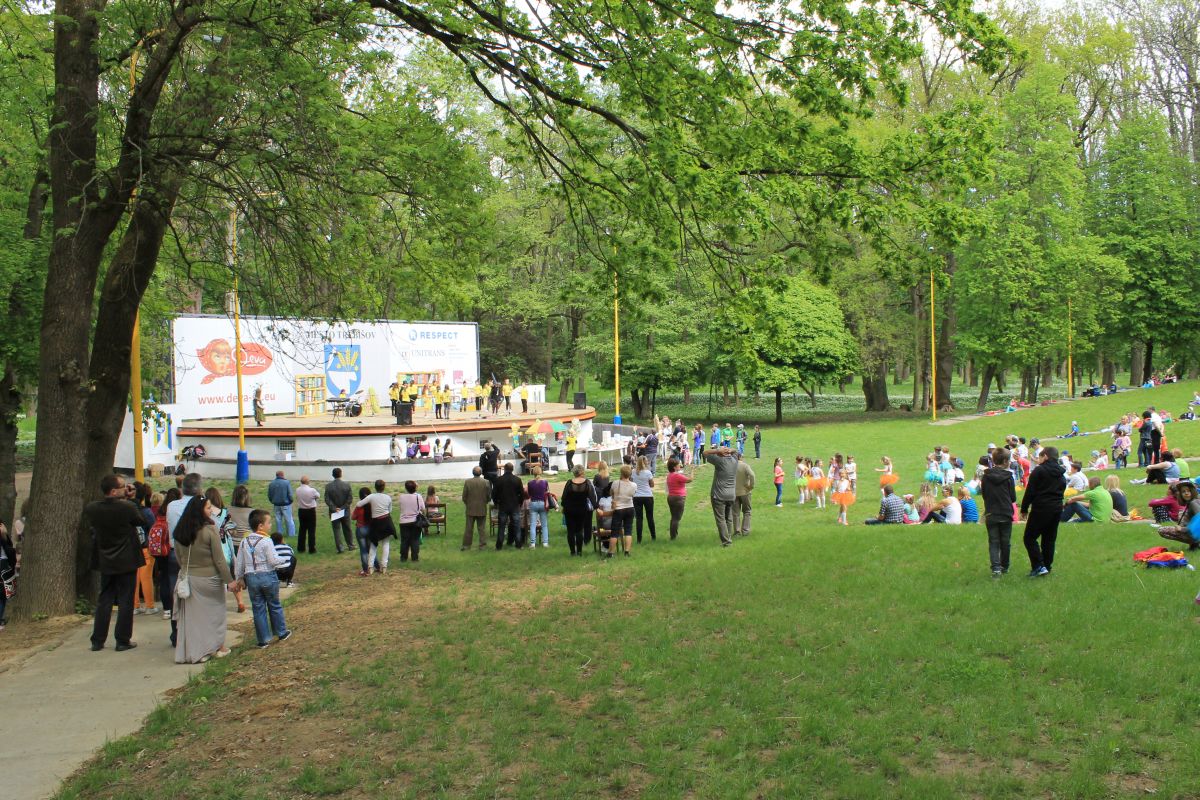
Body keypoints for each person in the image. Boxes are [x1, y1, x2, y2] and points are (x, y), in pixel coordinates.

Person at [85, 474, 147, 652]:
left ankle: (97, 640)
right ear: (113, 491)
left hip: (106, 559)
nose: (125, 489)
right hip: (126, 559)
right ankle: (122, 639)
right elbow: (140, 521)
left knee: (104, 599)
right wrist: (132, 499)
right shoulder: (127, 507)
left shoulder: (93, 508)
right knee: (126, 600)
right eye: (122, 487)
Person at [173, 495, 235, 663]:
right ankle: (217, 647)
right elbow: (219, 559)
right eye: (208, 508)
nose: (211, 511)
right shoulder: (210, 530)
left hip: (188, 578)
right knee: (215, 615)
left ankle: (197, 651)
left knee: (194, 619)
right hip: (209, 579)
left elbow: (178, 557)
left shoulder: (180, 531)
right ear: (200, 511)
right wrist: (229, 580)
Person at [233, 510, 292, 649]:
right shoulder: (266, 540)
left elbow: (239, 562)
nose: (270, 525)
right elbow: (273, 560)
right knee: (274, 605)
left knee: (258, 608)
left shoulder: (244, 541)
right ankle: (281, 632)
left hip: (251, 578)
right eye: (269, 523)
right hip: (267, 576)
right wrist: (285, 559)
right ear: (260, 526)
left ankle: (263, 640)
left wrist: (239, 577)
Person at [1021, 446, 1066, 577]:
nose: (1038, 460)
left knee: (1029, 538)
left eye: (1040, 457)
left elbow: (1030, 491)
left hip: (1041, 508)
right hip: (1057, 508)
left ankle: (1039, 566)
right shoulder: (1061, 473)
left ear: (1045, 456)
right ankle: (1047, 565)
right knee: (1049, 539)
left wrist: (1024, 509)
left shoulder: (1039, 471)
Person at [205, 487, 245, 614]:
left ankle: (217, 604)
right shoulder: (225, 513)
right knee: (231, 575)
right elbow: (233, 531)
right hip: (226, 547)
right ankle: (240, 602)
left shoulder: (206, 514)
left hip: (212, 548)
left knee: (217, 577)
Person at [981, 448, 1018, 576]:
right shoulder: (1009, 477)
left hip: (991, 512)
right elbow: (1013, 497)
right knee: (1005, 542)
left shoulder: (986, 477)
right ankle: (1005, 566)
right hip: (1006, 512)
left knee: (993, 541)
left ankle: (996, 568)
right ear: (1005, 461)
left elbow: (984, 494)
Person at [356, 479, 396, 574]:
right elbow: (390, 510)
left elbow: (358, 504)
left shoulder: (371, 496)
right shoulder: (388, 497)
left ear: (375, 487)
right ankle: (384, 566)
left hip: (376, 522)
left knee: (373, 544)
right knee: (386, 544)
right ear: (384, 487)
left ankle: (370, 567)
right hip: (386, 520)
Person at [561, 465, 599, 555]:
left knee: (570, 531)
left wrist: (563, 506)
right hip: (582, 509)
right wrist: (596, 507)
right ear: (582, 472)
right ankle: (579, 551)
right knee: (579, 530)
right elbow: (592, 497)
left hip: (569, 509)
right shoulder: (587, 483)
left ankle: (572, 552)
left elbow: (564, 497)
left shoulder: (569, 483)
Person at [706, 446, 738, 547]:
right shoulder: (735, 460)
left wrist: (716, 450)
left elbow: (705, 453)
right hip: (731, 495)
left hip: (719, 495)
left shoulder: (719, 461)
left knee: (720, 519)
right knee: (728, 518)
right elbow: (736, 451)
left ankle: (726, 542)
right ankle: (728, 538)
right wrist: (729, 450)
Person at [1156, 482, 1200, 548]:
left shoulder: (1193, 503)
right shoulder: (1194, 501)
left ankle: (1195, 542)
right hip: (1193, 532)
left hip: (1193, 533)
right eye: (1183, 492)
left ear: (1192, 491)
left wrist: (1182, 529)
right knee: (1182, 513)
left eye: (1188, 491)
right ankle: (1194, 545)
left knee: (1161, 530)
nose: (1186, 493)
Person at [493, 463, 526, 549]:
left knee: (501, 526)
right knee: (517, 526)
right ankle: (518, 544)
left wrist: (496, 503)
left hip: (503, 505)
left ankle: (499, 546)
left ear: (504, 469)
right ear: (512, 469)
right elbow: (522, 494)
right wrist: (520, 503)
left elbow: (494, 493)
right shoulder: (517, 480)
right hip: (514, 505)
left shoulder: (499, 480)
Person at [609, 464, 637, 556]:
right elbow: (633, 495)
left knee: (614, 532)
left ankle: (611, 552)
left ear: (621, 473)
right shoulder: (634, 485)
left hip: (618, 509)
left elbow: (611, 493)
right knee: (628, 530)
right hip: (630, 508)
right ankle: (627, 551)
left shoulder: (615, 483)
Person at [461, 467, 491, 550]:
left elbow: (464, 496)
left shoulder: (468, 482)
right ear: (481, 473)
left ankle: (466, 545)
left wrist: (468, 503)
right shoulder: (486, 482)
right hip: (482, 507)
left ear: (473, 472)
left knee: (469, 528)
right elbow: (489, 496)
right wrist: (485, 502)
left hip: (470, 508)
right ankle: (482, 545)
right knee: (481, 528)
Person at [631, 456, 656, 543]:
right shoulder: (648, 472)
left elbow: (631, 483)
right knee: (650, 517)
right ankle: (653, 536)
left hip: (637, 496)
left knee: (639, 518)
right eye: (647, 461)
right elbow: (652, 485)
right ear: (645, 463)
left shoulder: (633, 472)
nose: (648, 462)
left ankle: (639, 539)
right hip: (648, 496)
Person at [526, 466, 551, 548]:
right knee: (544, 525)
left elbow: (529, 494)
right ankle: (545, 543)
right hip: (543, 503)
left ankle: (532, 543)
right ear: (541, 472)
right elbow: (547, 492)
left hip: (533, 503)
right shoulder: (545, 482)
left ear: (533, 473)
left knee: (533, 525)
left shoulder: (530, 483)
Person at [294, 476, 320, 554]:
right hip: (310, 510)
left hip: (301, 510)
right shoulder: (312, 490)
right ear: (308, 482)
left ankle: (301, 548)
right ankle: (312, 548)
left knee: (302, 529)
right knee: (311, 530)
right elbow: (318, 496)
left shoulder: (297, 490)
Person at [267, 470, 296, 539]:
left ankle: (279, 534)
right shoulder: (286, 482)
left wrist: (272, 501)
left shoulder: (272, 483)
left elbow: (269, 495)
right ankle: (291, 534)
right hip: (285, 504)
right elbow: (290, 494)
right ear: (282, 475)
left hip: (276, 504)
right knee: (289, 519)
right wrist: (290, 501)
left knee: (278, 520)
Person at [734, 454, 755, 535]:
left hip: (734, 492)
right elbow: (752, 475)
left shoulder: (731, 466)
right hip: (745, 492)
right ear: (740, 457)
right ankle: (745, 530)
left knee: (735, 513)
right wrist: (751, 486)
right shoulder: (745, 466)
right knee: (747, 511)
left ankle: (737, 531)